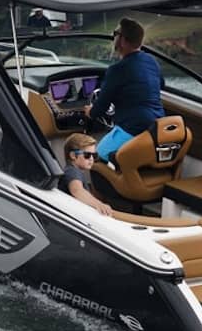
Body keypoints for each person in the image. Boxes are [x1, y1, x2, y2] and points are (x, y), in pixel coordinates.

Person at [84, 17, 163, 163]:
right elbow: (160, 86)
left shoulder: (117, 70)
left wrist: (90, 112)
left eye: (116, 34)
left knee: (95, 158)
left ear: (123, 40)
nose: (114, 37)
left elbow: (101, 108)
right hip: (156, 128)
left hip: (133, 129)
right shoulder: (152, 61)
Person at [60, 133, 112, 216]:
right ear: (73, 155)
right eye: (87, 155)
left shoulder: (75, 171)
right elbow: (77, 190)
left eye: (94, 155)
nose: (91, 159)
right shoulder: (72, 171)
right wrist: (99, 205)